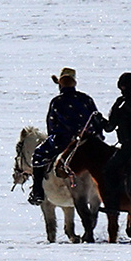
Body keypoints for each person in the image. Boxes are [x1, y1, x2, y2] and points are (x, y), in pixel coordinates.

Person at [32, 68, 99, 203]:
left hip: (63, 141)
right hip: (89, 141)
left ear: (60, 84)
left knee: (38, 155)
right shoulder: (86, 99)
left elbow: (51, 124)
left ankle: (37, 191)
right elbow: (96, 119)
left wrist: (53, 138)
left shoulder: (57, 101)